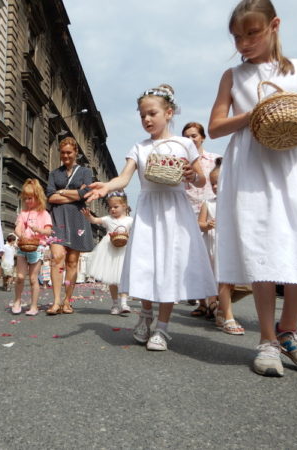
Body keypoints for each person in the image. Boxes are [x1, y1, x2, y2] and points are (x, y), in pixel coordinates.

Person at [208, 0, 297, 376]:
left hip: (295, 160)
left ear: (274, 25)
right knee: (262, 242)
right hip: (252, 164)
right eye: (237, 36)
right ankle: (266, 338)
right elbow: (215, 125)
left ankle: (290, 330)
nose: (244, 42)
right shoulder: (233, 75)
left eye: (252, 33)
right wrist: (256, 113)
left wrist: (294, 120)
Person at [86, 84, 217, 351]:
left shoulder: (185, 144)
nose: (147, 119)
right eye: (142, 115)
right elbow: (124, 177)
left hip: (175, 210)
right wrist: (107, 186)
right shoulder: (140, 147)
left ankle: (163, 327)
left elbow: (200, 177)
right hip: (148, 210)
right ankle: (145, 315)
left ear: (168, 113)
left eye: (152, 113)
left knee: (170, 266)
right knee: (146, 263)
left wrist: (193, 176)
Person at [46, 137, 94, 315]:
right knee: (57, 257)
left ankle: (67, 301)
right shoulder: (54, 174)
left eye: (69, 152)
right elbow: (50, 196)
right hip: (57, 218)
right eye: (63, 152)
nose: (65, 155)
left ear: (75, 153)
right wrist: (75, 193)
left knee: (72, 261)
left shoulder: (85, 172)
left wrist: (62, 192)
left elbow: (87, 193)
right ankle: (56, 301)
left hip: (77, 219)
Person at [198, 159, 244, 335]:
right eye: (213, 183)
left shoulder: (235, 202)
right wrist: (207, 224)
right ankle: (228, 317)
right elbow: (199, 224)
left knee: (229, 283)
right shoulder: (208, 204)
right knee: (222, 281)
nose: (216, 187)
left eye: (219, 182)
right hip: (214, 246)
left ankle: (220, 311)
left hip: (230, 244)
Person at [182, 122, 219, 313]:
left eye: (194, 136)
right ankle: (204, 303)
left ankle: (213, 300)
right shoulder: (178, 161)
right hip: (187, 214)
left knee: (211, 257)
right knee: (193, 259)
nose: (190, 140)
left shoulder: (214, 159)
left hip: (210, 211)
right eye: (186, 136)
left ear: (202, 137)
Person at [82, 192, 134, 315]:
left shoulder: (130, 220)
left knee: (123, 277)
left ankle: (124, 302)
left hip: (124, 250)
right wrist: (88, 217)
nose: (112, 209)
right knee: (112, 278)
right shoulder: (107, 219)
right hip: (110, 250)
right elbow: (95, 220)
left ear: (124, 206)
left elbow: (135, 232)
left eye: (115, 207)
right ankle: (115, 303)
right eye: (110, 207)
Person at [12, 179, 53, 316]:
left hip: (37, 247)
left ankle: (34, 306)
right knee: (20, 276)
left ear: (38, 197)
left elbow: (48, 231)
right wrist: (20, 233)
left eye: (31, 198)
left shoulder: (44, 214)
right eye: (26, 198)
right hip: (23, 246)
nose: (28, 201)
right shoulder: (23, 213)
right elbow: (18, 227)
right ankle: (17, 301)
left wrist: (39, 230)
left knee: (33, 278)